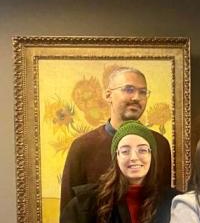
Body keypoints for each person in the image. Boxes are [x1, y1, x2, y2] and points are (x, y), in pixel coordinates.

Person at [61, 67, 172, 210]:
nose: (136, 97)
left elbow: (163, 205)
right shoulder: (83, 147)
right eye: (129, 89)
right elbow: (69, 211)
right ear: (108, 95)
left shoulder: (159, 144)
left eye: (142, 92)